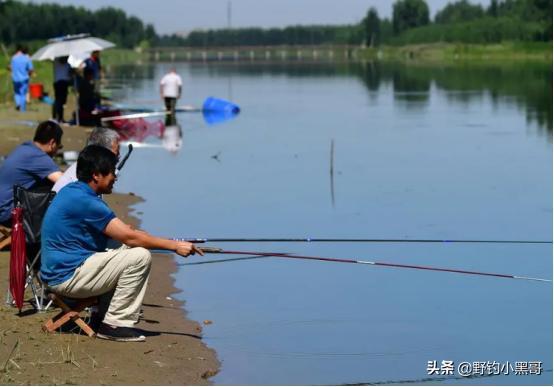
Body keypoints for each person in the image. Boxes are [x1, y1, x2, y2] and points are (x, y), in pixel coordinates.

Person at [40, 145, 203, 342]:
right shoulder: (85, 200)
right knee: (139, 256)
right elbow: (129, 237)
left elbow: (124, 234)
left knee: (130, 247)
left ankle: (103, 315)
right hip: (65, 277)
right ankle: (114, 324)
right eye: (111, 172)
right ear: (96, 175)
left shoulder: (74, 191)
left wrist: (137, 237)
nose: (115, 177)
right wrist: (175, 246)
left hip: (59, 271)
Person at [0, 121, 63, 227]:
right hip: (8, 214)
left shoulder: (25, 148)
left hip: (3, 207)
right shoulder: (38, 156)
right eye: (59, 146)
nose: (57, 150)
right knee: (56, 191)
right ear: (52, 143)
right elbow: (65, 182)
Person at [53, 127, 119, 193]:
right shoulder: (86, 174)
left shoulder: (86, 165)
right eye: (116, 154)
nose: (118, 158)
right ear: (101, 152)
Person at [9, 45, 34, 112]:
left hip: (15, 78)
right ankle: (22, 109)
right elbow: (31, 69)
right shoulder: (27, 58)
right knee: (23, 94)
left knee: (17, 93)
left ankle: (18, 104)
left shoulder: (14, 58)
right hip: (24, 78)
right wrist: (30, 74)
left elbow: (10, 67)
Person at [52, 56, 72, 122]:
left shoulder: (67, 65)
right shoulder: (56, 62)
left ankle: (59, 117)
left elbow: (70, 74)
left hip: (62, 83)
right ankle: (57, 117)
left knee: (61, 101)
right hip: (60, 83)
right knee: (59, 101)